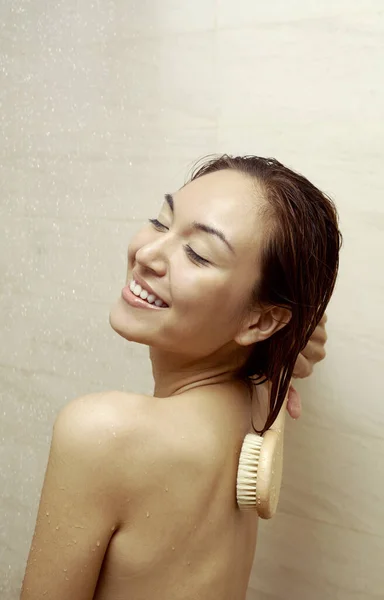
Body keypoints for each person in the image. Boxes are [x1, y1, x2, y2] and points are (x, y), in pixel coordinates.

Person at [20, 155, 341, 600]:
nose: (148, 254)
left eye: (198, 253)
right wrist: (283, 355)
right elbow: (309, 330)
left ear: (262, 321)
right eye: (161, 221)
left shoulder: (105, 433)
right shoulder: (258, 400)